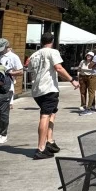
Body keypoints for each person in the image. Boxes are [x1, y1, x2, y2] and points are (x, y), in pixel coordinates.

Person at [27, 32, 79, 160]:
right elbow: (58, 68)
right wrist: (72, 80)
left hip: (37, 90)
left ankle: (49, 140)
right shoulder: (52, 52)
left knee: (52, 112)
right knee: (45, 115)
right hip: (48, 88)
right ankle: (41, 148)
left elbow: (30, 71)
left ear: (41, 41)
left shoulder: (34, 55)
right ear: (53, 41)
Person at [0, 37, 23, 145]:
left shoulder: (13, 57)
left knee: (3, 112)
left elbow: (20, 71)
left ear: (6, 46)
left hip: (6, 87)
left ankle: (3, 134)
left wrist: (8, 72)